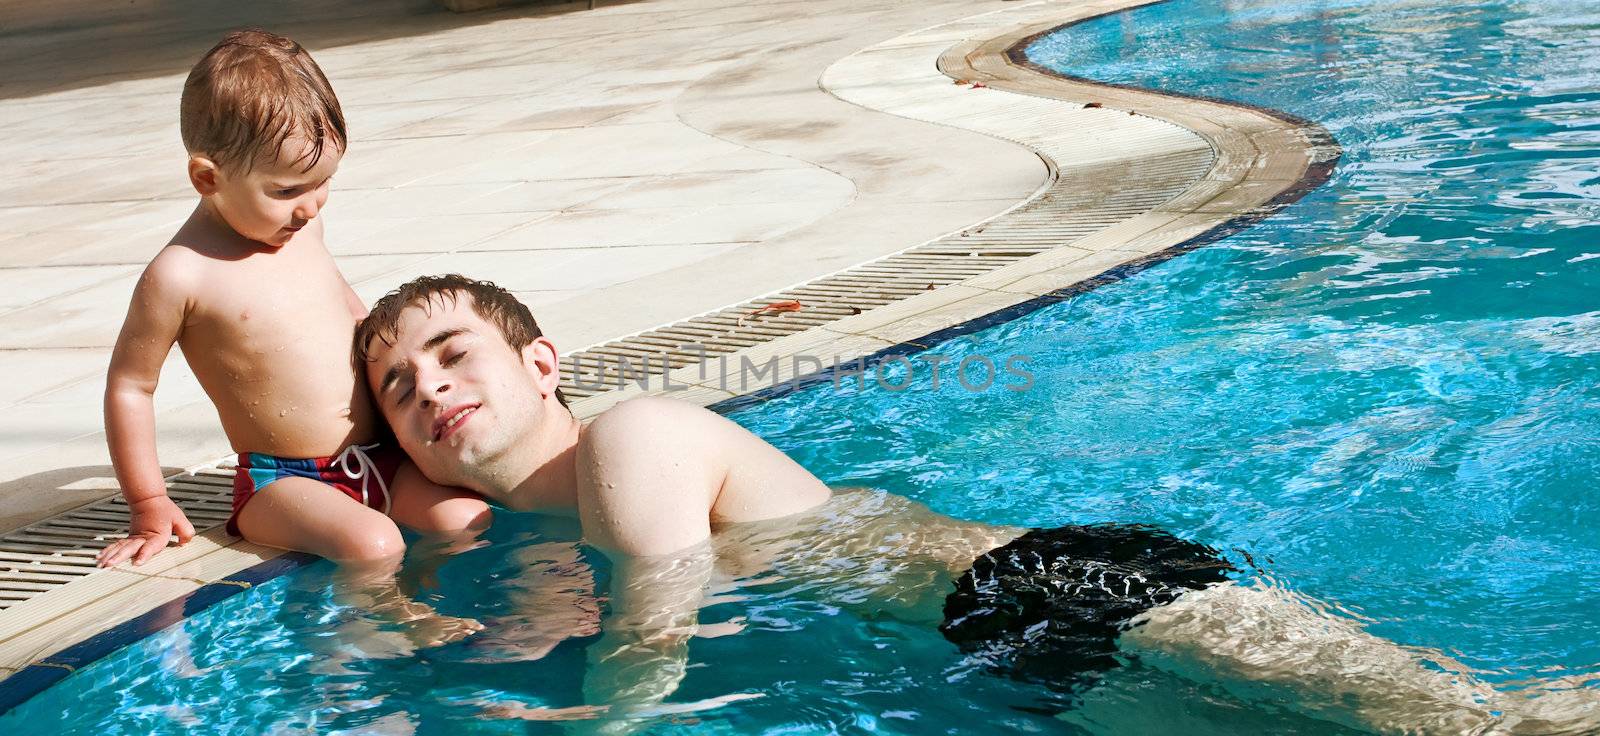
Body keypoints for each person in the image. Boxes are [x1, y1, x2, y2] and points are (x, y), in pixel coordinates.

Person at [355, 274, 1596, 733]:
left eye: (454, 353)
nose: (429, 388)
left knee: (1475, 722)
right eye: (399, 386)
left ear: (540, 362)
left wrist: (602, 720)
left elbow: (658, 623)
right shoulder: (531, 530)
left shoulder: (633, 439)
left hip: (1045, 582)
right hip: (990, 660)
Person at [96, 30, 491, 576]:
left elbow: (359, 321)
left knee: (467, 518)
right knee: (372, 544)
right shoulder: (181, 274)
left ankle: (462, 621)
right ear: (207, 178)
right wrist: (148, 504)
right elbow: (130, 387)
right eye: (286, 191)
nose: (308, 207)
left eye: (323, 183)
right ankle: (394, 636)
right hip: (281, 482)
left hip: (381, 460)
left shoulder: (305, 229)